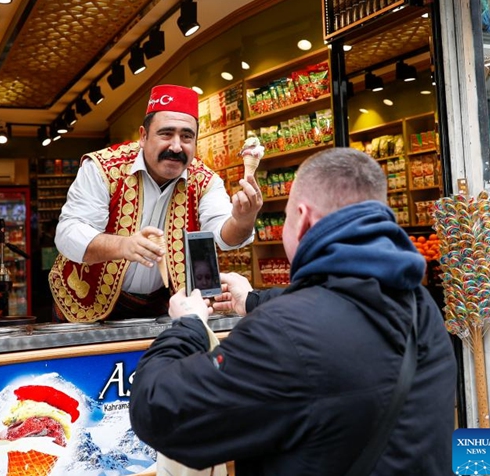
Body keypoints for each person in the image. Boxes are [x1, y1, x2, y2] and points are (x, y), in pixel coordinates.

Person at [129, 147, 457, 475]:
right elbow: (342, 311)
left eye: (286, 217)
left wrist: (187, 327)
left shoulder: (281, 335)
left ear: (304, 220)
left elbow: (158, 412)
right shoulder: (420, 306)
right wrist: (252, 300)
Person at [49, 84, 262, 322]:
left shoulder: (205, 180)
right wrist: (124, 246)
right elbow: (68, 234)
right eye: (166, 133)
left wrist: (243, 220)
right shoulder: (103, 168)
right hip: (87, 302)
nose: (176, 146)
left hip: (163, 306)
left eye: (186, 136)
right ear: (143, 136)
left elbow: (224, 235)